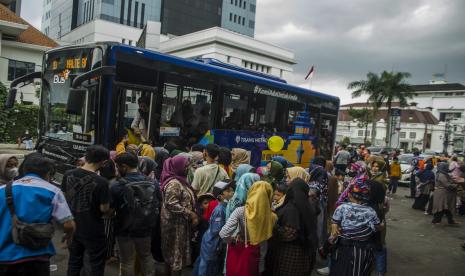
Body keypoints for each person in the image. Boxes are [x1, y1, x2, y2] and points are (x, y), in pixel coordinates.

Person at [0, 154, 75, 276]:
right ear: (48, 173)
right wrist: (69, 236)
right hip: (37, 257)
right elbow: (69, 224)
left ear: (23, 169)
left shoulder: (2, 189)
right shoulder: (53, 191)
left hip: (4, 257)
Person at [62, 145, 111, 276]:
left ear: (86, 157)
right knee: (95, 264)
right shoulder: (102, 182)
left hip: (73, 226)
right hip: (93, 229)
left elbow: (64, 198)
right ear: (104, 162)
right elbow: (104, 208)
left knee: (74, 261)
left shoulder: (68, 174)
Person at [111, 153, 157, 276]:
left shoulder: (117, 186)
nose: (116, 170)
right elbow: (159, 202)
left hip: (124, 230)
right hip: (146, 228)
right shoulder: (152, 182)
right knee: (146, 256)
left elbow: (110, 210)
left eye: (117, 167)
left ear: (124, 167)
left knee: (127, 261)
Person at [220, 181, 276, 276]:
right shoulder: (272, 216)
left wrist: (232, 241)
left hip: (243, 249)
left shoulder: (240, 211)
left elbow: (223, 233)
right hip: (260, 254)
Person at [329, 179, 381, 276]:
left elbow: (334, 225)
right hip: (362, 250)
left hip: (343, 248)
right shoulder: (371, 211)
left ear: (349, 195)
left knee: (340, 269)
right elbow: (376, 228)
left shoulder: (342, 208)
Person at [266, 178, 318, 276]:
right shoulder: (307, 205)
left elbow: (290, 233)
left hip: (290, 254)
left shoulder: (292, 208)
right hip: (304, 253)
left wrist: (273, 226)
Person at [160, 155, 198, 276]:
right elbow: (171, 203)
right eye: (185, 166)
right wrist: (190, 213)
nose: (187, 168)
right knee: (175, 254)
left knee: (174, 254)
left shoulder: (180, 180)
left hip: (179, 223)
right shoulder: (174, 183)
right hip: (174, 224)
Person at [194, 181, 235, 276]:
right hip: (212, 243)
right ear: (220, 197)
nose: (232, 193)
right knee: (207, 268)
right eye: (228, 191)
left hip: (213, 242)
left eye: (232, 190)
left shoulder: (226, 207)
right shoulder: (220, 210)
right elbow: (217, 230)